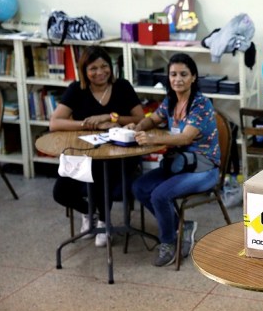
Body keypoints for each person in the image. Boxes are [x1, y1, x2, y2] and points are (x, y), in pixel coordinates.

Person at [129, 53, 221, 267]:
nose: (177, 79)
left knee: (160, 195)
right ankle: (182, 225)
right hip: (179, 163)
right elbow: (153, 119)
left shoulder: (201, 104)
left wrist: (153, 137)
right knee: (140, 187)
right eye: (173, 74)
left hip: (204, 168)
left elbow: (186, 137)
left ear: (193, 77)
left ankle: (168, 243)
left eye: (183, 74)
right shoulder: (170, 101)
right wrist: (138, 127)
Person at [50, 45, 145, 247]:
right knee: (61, 191)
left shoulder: (122, 86)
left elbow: (140, 118)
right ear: (84, 71)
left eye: (104, 66)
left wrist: (110, 117)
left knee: (101, 173)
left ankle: (104, 220)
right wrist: (86, 123)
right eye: (93, 68)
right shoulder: (77, 89)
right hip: (85, 153)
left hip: (120, 154)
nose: (100, 72)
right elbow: (55, 123)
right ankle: (89, 212)